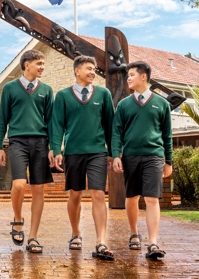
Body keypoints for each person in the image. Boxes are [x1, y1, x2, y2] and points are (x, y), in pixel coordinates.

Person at [49, 55, 115, 260]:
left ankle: (101, 241)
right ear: (77, 71)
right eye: (89, 68)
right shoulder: (62, 96)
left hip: (97, 151)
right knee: (75, 194)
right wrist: (56, 150)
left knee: (98, 194)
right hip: (73, 151)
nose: (93, 72)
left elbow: (110, 126)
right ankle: (75, 233)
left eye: (94, 69)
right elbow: (57, 124)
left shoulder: (103, 94)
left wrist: (113, 153)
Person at [111, 61, 173, 260]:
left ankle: (153, 242)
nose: (128, 78)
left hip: (154, 156)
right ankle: (134, 233)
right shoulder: (124, 105)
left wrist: (169, 161)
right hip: (130, 156)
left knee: (152, 198)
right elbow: (116, 132)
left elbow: (167, 135)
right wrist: (115, 155)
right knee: (132, 197)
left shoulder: (162, 104)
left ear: (143, 76)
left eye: (131, 75)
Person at [0, 49, 54, 254]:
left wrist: (53, 147)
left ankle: (33, 237)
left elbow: (51, 122)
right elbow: (2, 119)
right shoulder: (10, 88)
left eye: (43, 64)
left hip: (41, 143)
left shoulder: (46, 90)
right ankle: (18, 219)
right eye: (39, 63)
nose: (42, 67)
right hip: (17, 141)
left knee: (38, 189)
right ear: (26, 64)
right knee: (19, 184)